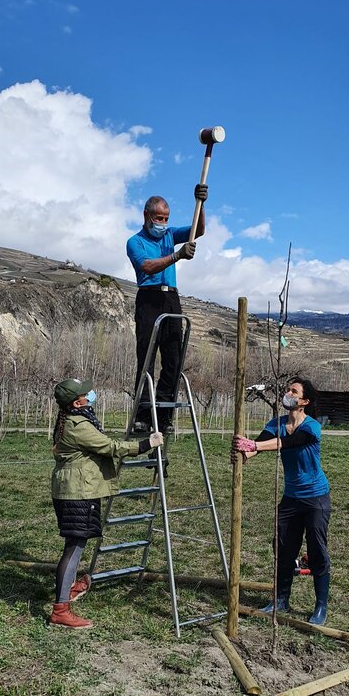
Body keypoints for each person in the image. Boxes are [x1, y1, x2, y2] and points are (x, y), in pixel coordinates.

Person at [50, 377, 163, 630]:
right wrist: (146, 444)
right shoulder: (78, 425)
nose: (90, 394)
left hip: (73, 488)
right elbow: (109, 447)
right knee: (74, 547)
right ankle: (60, 610)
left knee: (74, 544)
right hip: (78, 492)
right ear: (76, 403)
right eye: (85, 393)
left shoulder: (71, 420)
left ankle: (67, 589)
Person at [231, 377, 331, 625]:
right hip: (291, 498)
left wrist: (254, 445)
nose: (288, 393)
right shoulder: (276, 423)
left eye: (294, 391)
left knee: (317, 550)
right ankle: (281, 599)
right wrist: (244, 454)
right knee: (283, 547)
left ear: (304, 401)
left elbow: (287, 443)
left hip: (315, 498)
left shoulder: (312, 427)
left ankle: (321, 606)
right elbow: (258, 445)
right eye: (288, 390)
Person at [126, 184, 208, 433]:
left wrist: (201, 203)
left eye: (166, 219)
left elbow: (198, 230)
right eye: (158, 218)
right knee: (147, 358)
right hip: (148, 299)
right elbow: (147, 267)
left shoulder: (170, 235)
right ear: (146, 215)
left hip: (171, 298)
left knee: (173, 358)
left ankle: (163, 417)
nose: (162, 223)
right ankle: (143, 415)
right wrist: (176, 256)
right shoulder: (135, 242)